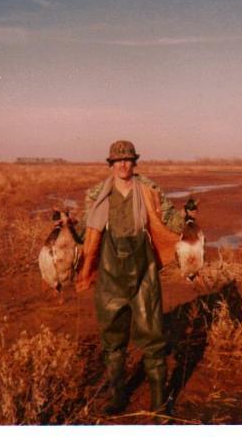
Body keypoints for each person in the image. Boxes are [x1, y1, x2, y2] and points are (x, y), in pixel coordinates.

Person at [75, 140, 185, 415]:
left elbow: (172, 220)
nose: (123, 164)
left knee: (153, 335)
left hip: (144, 267)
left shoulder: (149, 190)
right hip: (110, 272)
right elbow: (85, 233)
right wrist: (64, 227)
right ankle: (118, 397)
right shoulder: (97, 194)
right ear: (111, 164)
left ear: (134, 163)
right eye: (117, 160)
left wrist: (189, 217)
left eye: (128, 160)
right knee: (112, 337)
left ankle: (160, 404)